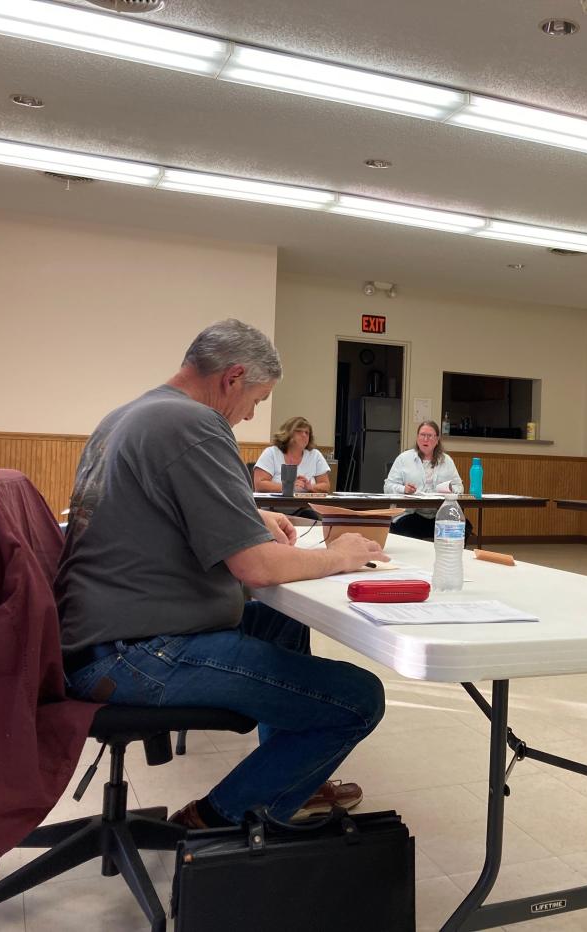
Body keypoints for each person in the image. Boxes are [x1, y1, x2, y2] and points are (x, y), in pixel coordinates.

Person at [55, 319, 389, 828]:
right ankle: (218, 819)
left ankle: (290, 777)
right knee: (359, 698)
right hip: (135, 652)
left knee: (283, 623)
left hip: (101, 634)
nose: (251, 413)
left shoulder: (134, 415)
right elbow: (256, 567)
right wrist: (340, 555)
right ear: (233, 377)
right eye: (256, 399)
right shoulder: (194, 423)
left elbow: (154, 508)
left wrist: (249, 517)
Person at [384, 420, 470, 540]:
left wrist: (450, 490)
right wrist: (404, 489)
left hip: (439, 514)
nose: (425, 439)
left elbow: (459, 487)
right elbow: (388, 486)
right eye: (422, 435)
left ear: (437, 439)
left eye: (429, 436)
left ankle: (448, 557)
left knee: (464, 527)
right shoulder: (404, 458)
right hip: (410, 513)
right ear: (417, 437)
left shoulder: (447, 460)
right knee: (406, 528)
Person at [253, 416, 332, 493]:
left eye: (307, 433)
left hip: (307, 505)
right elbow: (259, 485)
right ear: (287, 434)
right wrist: (289, 487)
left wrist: (310, 487)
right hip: (276, 505)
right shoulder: (271, 453)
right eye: (299, 431)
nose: (304, 435)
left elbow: (326, 486)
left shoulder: (315, 455)